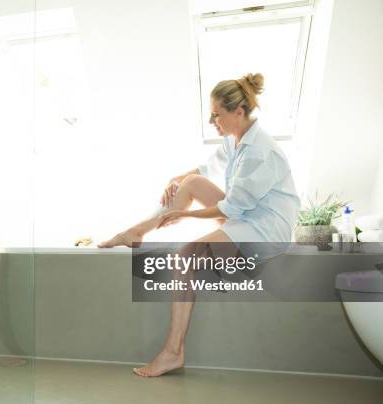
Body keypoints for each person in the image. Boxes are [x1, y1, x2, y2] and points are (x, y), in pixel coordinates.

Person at [98, 73, 300, 377]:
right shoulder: (237, 140)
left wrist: (186, 216)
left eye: (216, 114)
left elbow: (232, 207)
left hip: (266, 231)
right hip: (248, 216)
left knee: (184, 257)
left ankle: (172, 352)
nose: (211, 121)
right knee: (191, 182)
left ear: (239, 112)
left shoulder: (261, 152)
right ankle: (138, 230)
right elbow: (207, 169)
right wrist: (176, 179)